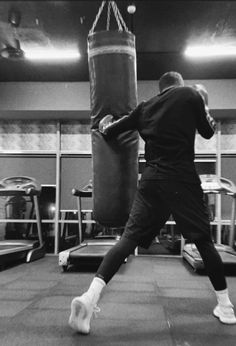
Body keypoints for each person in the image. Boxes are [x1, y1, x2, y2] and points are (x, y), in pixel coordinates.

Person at [69, 71, 236, 334]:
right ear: (178, 85)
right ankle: (225, 306)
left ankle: (90, 297)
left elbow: (110, 132)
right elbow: (207, 132)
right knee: (204, 241)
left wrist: (104, 123)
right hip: (181, 179)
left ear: (161, 89)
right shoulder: (191, 94)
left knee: (128, 239)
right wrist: (205, 106)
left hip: (151, 180)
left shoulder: (145, 108)